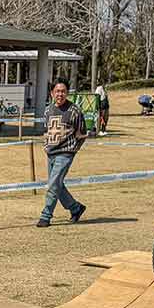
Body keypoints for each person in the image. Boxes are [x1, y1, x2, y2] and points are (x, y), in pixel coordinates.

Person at [37, 78, 88, 227]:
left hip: (65, 153)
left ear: (67, 93)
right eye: (57, 91)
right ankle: (75, 208)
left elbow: (82, 133)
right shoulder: (48, 110)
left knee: (53, 185)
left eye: (63, 91)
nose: (60, 94)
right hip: (51, 152)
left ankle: (46, 216)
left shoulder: (74, 111)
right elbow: (47, 130)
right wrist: (46, 145)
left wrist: (74, 149)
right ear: (52, 93)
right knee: (56, 185)